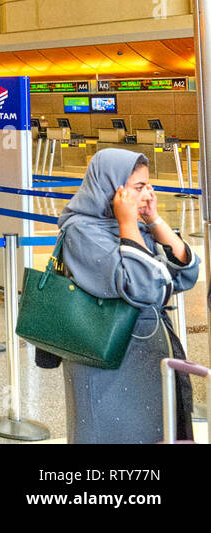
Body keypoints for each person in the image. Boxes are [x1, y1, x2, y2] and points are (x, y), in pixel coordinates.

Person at [56, 149, 200, 443]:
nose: (147, 194)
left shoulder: (136, 227)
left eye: (149, 185)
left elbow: (184, 277)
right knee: (111, 432)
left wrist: (155, 220)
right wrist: (128, 226)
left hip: (147, 359)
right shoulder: (81, 232)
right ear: (112, 187)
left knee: (153, 430)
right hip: (107, 364)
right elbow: (142, 287)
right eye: (138, 187)